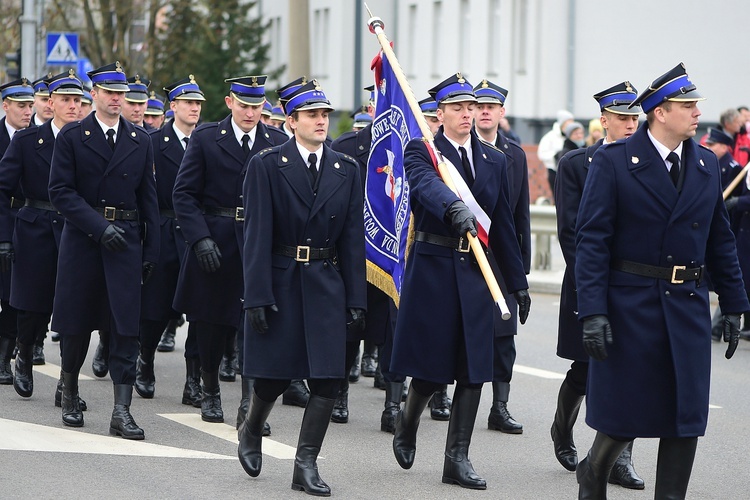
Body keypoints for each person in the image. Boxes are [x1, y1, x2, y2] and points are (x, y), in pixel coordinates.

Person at [574, 63, 749, 499]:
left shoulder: (706, 164)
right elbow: (592, 241)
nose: (696, 114)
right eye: (687, 106)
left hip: (686, 305)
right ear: (659, 112)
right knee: (625, 415)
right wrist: (593, 311)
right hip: (631, 305)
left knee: (685, 417)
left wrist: (733, 301)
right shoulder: (614, 162)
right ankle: (594, 470)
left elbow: (719, 240)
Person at [390, 73, 530, 490]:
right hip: (435, 268)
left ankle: (457, 458)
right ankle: (407, 422)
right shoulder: (424, 150)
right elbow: (425, 186)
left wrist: (517, 282)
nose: (467, 114)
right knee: (432, 372)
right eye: (457, 108)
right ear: (440, 113)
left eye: (471, 107)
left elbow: (503, 223)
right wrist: (454, 208)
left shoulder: (495, 159)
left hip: (477, 273)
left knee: (474, 369)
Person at [237, 78, 366, 497]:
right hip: (281, 279)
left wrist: (356, 297)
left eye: (325, 114)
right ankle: (252, 427)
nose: (321, 122)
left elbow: (351, 236)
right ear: (291, 121)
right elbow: (256, 234)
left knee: (328, 381)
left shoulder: (346, 168)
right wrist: (256, 294)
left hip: (326, 282)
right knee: (274, 378)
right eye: (312, 115)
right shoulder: (267, 165)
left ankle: (304, 464)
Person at [48, 61, 159, 439]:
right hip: (84, 238)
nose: (116, 99)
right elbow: (60, 192)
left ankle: (121, 410)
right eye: (109, 92)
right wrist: (99, 227)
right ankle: (70, 391)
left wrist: (150, 252)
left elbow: (149, 200)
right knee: (77, 322)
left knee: (125, 327)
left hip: (125, 240)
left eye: (121, 93)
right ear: (93, 94)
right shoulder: (73, 136)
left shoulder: (139, 139)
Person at [172, 74, 288, 424]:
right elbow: (184, 194)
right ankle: (209, 389)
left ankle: (249, 404)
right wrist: (200, 238)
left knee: (256, 323)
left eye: (256, 107)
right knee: (210, 323)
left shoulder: (276, 141)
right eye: (244, 106)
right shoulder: (207, 138)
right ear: (229, 103)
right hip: (216, 238)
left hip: (257, 242)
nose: (251, 113)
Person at [552, 81, 644, 490]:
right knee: (585, 368)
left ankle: (620, 458)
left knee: (632, 372)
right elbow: (571, 232)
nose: (629, 124)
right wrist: (596, 282)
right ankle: (562, 427)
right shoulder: (576, 164)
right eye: (622, 117)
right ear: (603, 120)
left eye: (634, 117)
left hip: (632, 286)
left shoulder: (645, 162)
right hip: (589, 283)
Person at [0, 70, 84, 400]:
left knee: (73, 309)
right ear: (50, 103)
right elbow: (3, 189)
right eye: (66, 100)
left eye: (78, 100)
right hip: (34, 228)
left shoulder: (87, 141)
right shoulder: (27, 140)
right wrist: (6, 235)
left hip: (75, 232)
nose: (73, 107)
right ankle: (23, 355)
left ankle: (68, 381)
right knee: (32, 306)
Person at [330, 85, 403, 427]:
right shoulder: (346, 146)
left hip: (394, 258)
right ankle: (340, 393)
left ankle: (392, 404)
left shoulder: (409, 149)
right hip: (356, 255)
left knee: (393, 330)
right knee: (350, 327)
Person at [135, 76, 205, 403]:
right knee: (156, 308)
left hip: (198, 235)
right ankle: (145, 359)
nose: (194, 108)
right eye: (188, 102)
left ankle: (194, 380)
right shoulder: (153, 141)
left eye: (198, 103)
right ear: (172, 106)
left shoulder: (207, 141)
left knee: (200, 312)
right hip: (164, 229)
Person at [473, 78, 531, 434]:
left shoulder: (515, 154)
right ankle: (436, 396)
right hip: (463, 253)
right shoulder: (453, 150)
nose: (483, 112)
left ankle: (500, 406)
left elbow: (520, 216)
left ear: (501, 113)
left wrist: (519, 275)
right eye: (478, 106)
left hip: (499, 256)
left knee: (502, 337)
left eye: (490, 107)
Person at [0, 77, 34, 384]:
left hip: (25, 221)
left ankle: (5, 355)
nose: (27, 112)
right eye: (21, 106)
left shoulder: (36, 138)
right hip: (1, 219)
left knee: (14, 295)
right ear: (5, 105)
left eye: (31, 106)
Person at [538, 109, 573, 194]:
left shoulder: (571, 136)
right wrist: (555, 156)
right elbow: (541, 153)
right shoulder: (550, 137)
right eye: (568, 122)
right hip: (554, 171)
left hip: (569, 171)